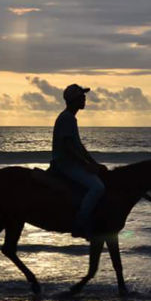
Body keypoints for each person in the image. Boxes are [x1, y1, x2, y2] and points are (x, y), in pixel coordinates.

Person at [50, 84, 107, 238]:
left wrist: (94, 163)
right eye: (81, 97)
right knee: (97, 188)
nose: (84, 99)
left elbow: (79, 147)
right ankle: (80, 223)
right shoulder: (67, 118)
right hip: (65, 165)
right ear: (74, 100)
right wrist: (86, 164)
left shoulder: (70, 118)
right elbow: (69, 147)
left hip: (70, 164)